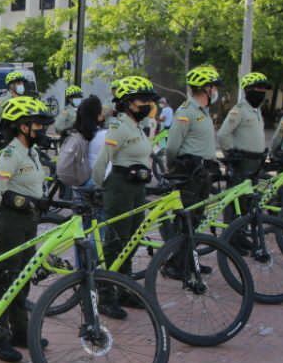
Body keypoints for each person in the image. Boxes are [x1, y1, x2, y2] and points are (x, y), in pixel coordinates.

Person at [0, 96, 52, 363]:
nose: (42, 130)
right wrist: (16, 202)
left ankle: (21, 333)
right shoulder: (12, 153)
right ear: (23, 127)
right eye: (38, 125)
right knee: (5, 280)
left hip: (28, 221)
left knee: (22, 278)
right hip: (11, 222)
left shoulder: (31, 152)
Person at [91, 76, 158, 319]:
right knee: (115, 242)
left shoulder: (137, 126)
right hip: (120, 187)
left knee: (132, 240)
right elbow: (102, 160)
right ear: (129, 102)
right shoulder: (119, 126)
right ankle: (107, 296)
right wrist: (99, 188)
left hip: (136, 189)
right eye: (143, 100)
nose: (148, 104)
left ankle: (125, 290)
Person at [166, 65, 222, 208]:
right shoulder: (186, 112)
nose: (216, 91)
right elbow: (172, 146)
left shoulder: (204, 112)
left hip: (204, 173)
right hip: (190, 174)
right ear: (206, 89)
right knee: (187, 218)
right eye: (214, 87)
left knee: (198, 216)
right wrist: (172, 167)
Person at [217, 72, 270, 185]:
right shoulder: (239, 110)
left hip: (257, 162)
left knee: (251, 197)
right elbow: (223, 134)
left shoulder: (258, 111)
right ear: (248, 90)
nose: (262, 93)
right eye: (258, 89)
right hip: (243, 163)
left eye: (264, 90)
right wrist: (231, 154)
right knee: (239, 198)